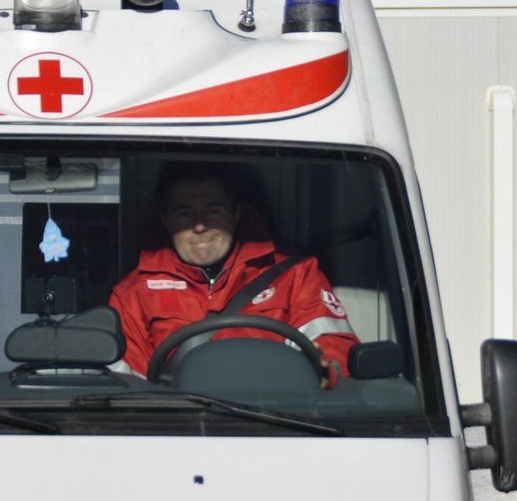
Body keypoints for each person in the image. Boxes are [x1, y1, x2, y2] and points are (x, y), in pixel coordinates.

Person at [109, 163, 359, 382]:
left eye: (213, 210)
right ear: (166, 221)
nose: (199, 225)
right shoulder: (133, 293)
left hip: (278, 420)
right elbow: (128, 383)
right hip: (180, 427)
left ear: (236, 214)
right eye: (184, 212)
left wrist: (326, 370)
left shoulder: (295, 274)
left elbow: (331, 344)